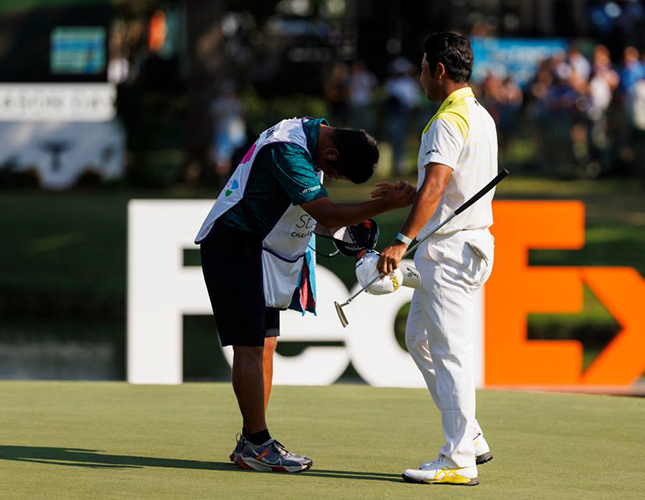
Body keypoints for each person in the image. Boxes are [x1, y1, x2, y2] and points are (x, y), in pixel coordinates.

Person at [195, 117, 415, 473]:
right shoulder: (288, 150)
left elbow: (318, 218)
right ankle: (257, 444)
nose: (334, 180)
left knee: (266, 344)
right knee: (249, 347)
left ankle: (253, 441)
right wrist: (385, 206)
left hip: (259, 248)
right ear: (330, 152)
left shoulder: (313, 135)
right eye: (336, 173)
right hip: (234, 245)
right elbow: (325, 211)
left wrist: (354, 234)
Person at [374, 32, 497, 486]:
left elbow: (439, 185)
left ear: (439, 71)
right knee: (421, 339)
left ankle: (458, 459)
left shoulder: (448, 119)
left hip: (450, 251)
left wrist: (401, 239)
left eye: (423, 66)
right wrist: (413, 196)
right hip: (461, 243)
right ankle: (473, 437)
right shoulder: (479, 114)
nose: (420, 74)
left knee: (450, 352)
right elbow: (450, 187)